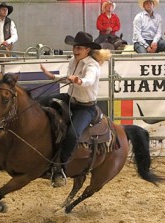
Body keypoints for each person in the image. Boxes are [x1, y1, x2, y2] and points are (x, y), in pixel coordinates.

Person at [40, 31, 111, 187]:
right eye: (75, 47)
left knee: (72, 134)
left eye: (79, 47)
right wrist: (53, 77)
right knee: (41, 101)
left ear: (87, 50)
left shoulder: (92, 65)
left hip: (86, 107)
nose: (76, 50)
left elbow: (88, 80)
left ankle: (61, 169)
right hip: (70, 99)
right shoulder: (73, 60)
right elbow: (68, 78)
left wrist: (78, 80)